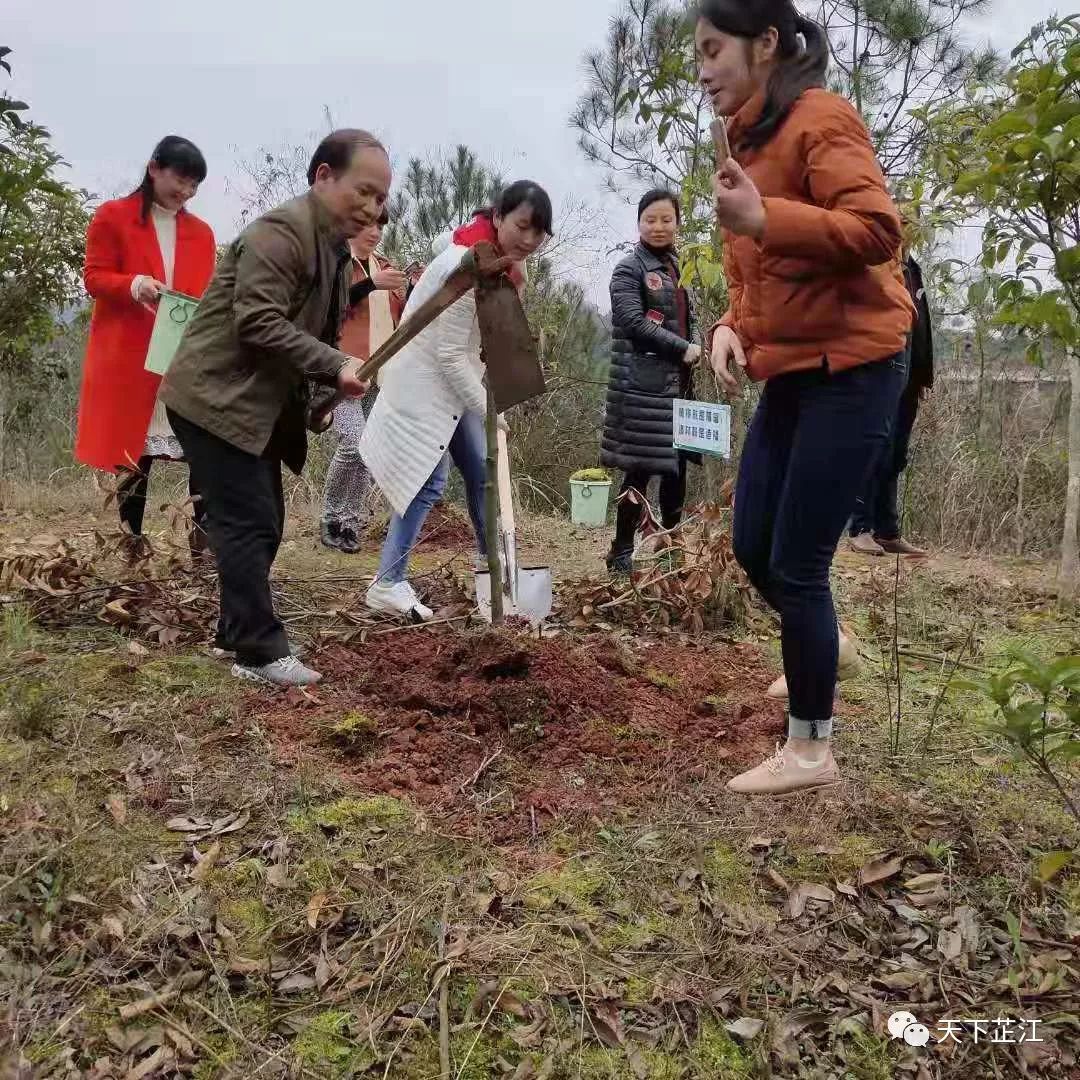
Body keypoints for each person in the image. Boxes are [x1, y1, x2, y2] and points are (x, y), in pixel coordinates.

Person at [699, 0, 914, 795]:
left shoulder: (822, 119)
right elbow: (750, 261)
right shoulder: (744, 139)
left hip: (856, 366)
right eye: (698, 53)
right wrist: (728, 322)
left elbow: (877, 230)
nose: (703, 67)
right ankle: (833, 646)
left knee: (797, 564)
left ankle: (811, 752)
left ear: (765, 44)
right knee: (754, 544)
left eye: (714, 48)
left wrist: (769, 215)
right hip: (791, 365)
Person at [160, 129, 387, 688]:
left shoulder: (333, 249)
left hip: (248, 401)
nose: (371, 205)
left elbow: (309, 331)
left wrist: (319, 397)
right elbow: (258, 321)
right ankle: (259, 652)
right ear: (323, 176)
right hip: (215, 397)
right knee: (248, 520)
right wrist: (334, 364)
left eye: (380, 197)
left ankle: (237, 632)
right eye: (362, 189)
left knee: (264, 521)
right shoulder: (281, 233)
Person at [359, 181, 553, 621]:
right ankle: (388, 582)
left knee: (483, 473)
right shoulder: (466, 266)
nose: (528, 239)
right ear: (500, 217)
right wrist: (490, 410)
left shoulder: (496, 262)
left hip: (457, 384)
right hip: (427, 384)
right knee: (426, 482)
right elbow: (448, 355)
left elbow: (475, 345)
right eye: (522, 226)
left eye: (538, 233)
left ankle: (496, 572)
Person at [74, 136, 216, 549]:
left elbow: (206, 295)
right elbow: (94, 278)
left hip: (183, 356)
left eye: (194, 186)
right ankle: (130, 542)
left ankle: (200, 545)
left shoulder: (201, 233)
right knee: (134, 456)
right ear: (154, 168)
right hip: (130, 355)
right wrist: (133, 284)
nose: (186, 192)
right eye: (180, 180)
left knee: (202, 447)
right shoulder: (112, 217)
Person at [601, 189, 701, 575]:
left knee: (678, 469)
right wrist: (682, 349)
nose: (658, 227)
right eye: (650, 220)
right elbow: (633, 321)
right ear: (639, 223)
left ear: (677, 222)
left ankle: (671, 545)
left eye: (666, 219)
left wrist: (696, 349)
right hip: (641, 388)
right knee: (638, 470)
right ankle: (622, 550)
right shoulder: (629, 268)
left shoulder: (680, 267)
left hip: (678, 384)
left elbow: (685, 321)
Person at [319, 208, 407, 553]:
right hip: (342, 368)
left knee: (370, 451)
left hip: (382, 372)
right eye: (368, 224)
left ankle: (350, 522)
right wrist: (371, 285)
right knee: (353, 442)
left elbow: (402, 317)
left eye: (380, 226)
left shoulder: (384, 265)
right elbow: (329, 307)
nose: (374, 232)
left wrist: (410, 288)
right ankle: (330, 517)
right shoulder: (337, 264)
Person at [848, 253, 934, 557]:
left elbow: (921, 325)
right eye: (906, 220)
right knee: (874, 450)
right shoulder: (875, 261)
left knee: (896, 454)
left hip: (909, 376)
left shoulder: (913, 267)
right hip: (880, 373)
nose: (911, 228)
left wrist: (923, 375)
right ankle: (860, 528)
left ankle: (887, 530)